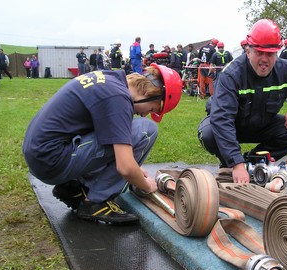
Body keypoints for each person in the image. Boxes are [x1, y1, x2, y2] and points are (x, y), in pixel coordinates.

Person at [22, 63, 183, 225]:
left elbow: (102, 128)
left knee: (131, 134)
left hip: (42, 156)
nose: (146, 114)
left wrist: (134, 165)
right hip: (53, 161)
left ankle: (73, 187)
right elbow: (125, 168)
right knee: (146, 130)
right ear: (150, 93)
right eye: (152, 108)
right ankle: (96, 201)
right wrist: (147, 186)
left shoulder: (109, 80)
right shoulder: (118, 98)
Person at [197, 19, 287, 184]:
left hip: (263, 124)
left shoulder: (286, 69)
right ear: (248, 50)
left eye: (270, 54)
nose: (264, 59)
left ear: (277, 53)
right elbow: (222, 119)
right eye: (259, 53)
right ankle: (230, 163)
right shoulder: (231, 74)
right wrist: (236, 163)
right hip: (233, 125)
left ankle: (254, 161)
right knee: (208, 132)